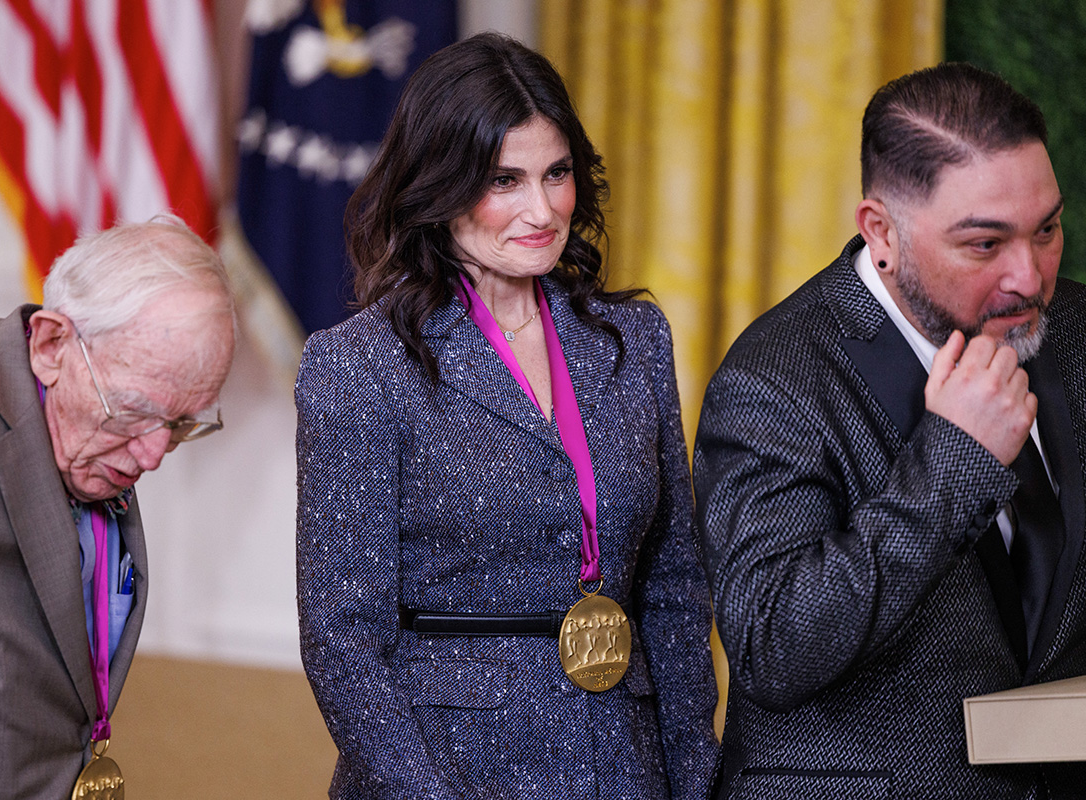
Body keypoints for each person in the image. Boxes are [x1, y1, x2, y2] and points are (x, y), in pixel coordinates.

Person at [295, 32, 719, 800]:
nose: (543, 208)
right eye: (504, 180)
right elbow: (342, 639)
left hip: (623, 765)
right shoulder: (357, 364)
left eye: (556, 173)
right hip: (450, 769)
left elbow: (674, 589)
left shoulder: (634, 339)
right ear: (439, 185)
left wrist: (693, 782)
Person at [693, 62, 1086, 798]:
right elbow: (772, 646)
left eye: (1048, 230)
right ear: (881, 231)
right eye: (984, 244)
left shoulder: (1072, 328)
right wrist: (956, 460)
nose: (1031, 278)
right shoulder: (773, 378)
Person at [0, 216, 236, 799]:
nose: (152, 455)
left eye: (179, 425)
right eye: (131, 412)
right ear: (52, 344)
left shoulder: (97, 433)